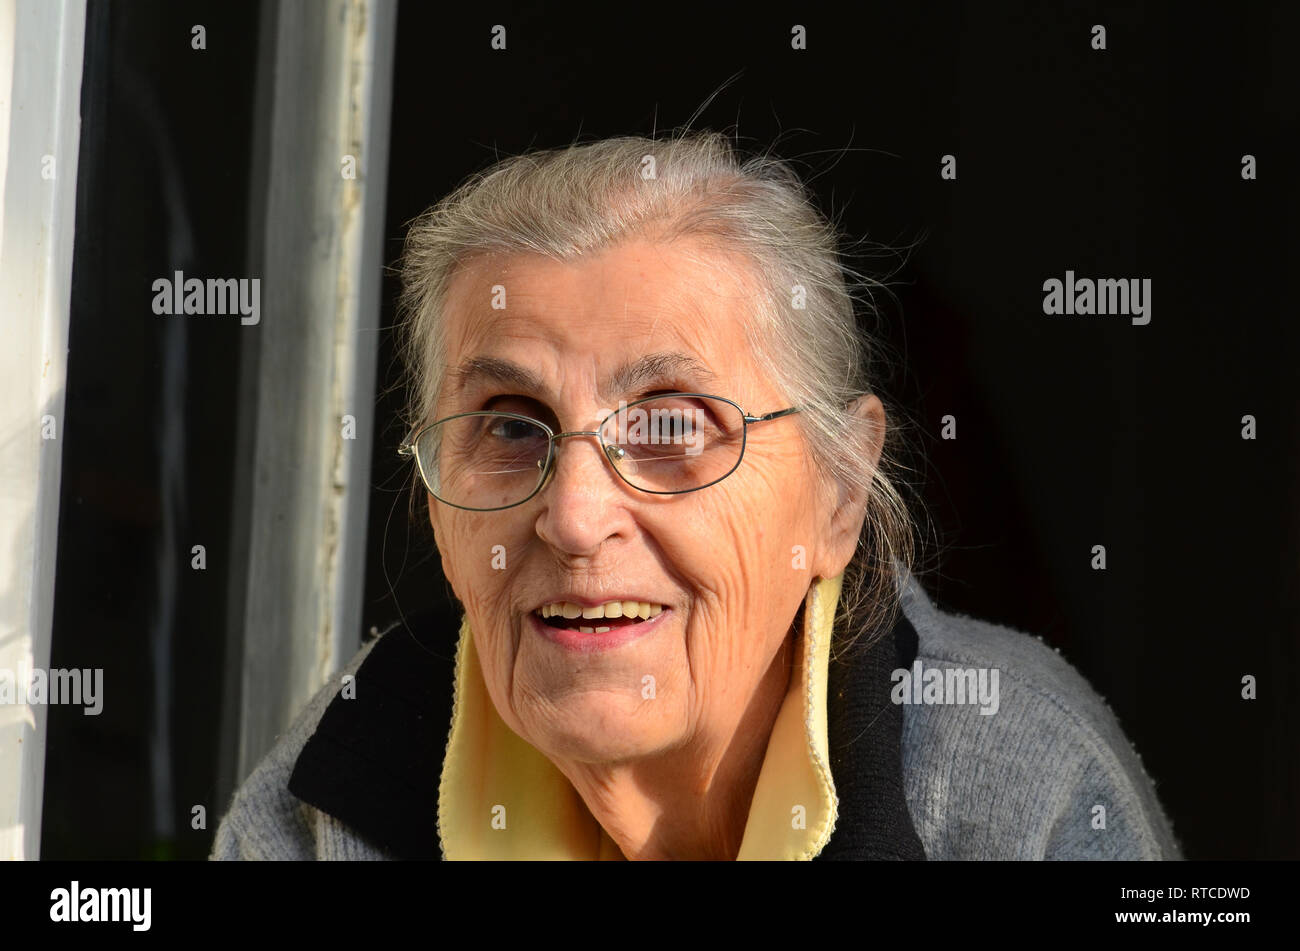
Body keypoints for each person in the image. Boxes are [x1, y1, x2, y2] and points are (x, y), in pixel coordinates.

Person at [211, 132, 1181, 860]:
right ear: (434, 497)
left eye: (672, 426)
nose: (575, 517)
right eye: (509, 427)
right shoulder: (354, 766)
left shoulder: (1019, 791)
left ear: (838, 494)